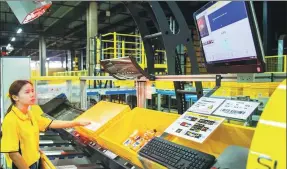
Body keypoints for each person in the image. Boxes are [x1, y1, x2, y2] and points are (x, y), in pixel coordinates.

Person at [0, 80, 91, 169]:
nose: (32, 94)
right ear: (15, 97)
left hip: (35, 160)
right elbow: (13, 154)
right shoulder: (11, 120)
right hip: (22, 165)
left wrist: (76, 123)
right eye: (27, 92)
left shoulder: (29, 114)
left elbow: (51, 123)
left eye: (32, 91)